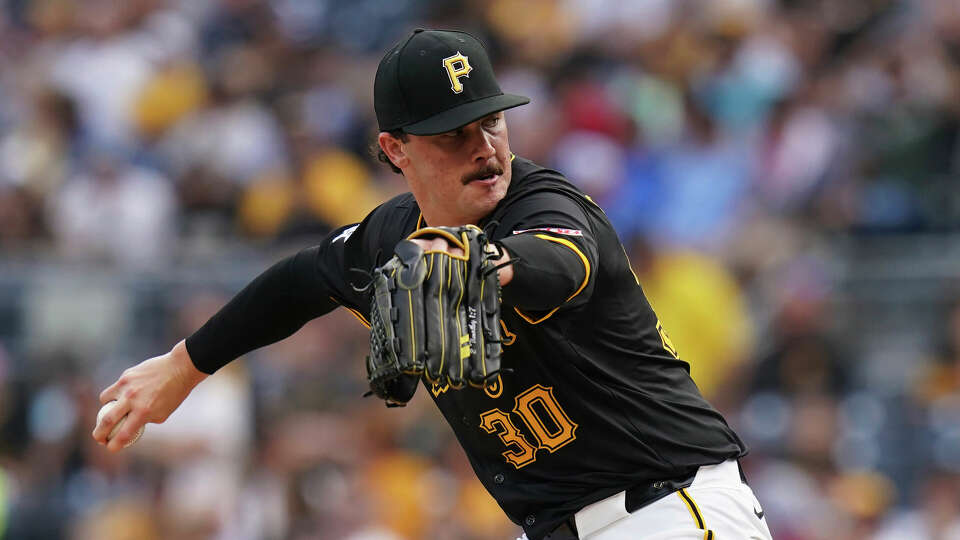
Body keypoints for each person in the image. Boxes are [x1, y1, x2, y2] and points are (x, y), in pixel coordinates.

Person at [93, 29, 773, 540]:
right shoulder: (387, 240)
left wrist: (487, 266)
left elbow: (561, 262)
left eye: (492, 122)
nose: (485, 147)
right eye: (455, 133)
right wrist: (185, 366)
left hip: (671, 510)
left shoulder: (545, 203)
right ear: (395, 149)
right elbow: (300, 281)